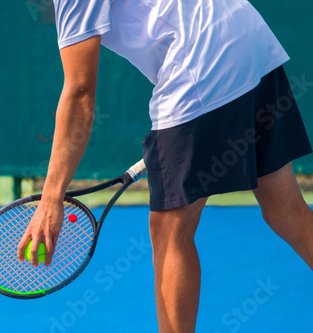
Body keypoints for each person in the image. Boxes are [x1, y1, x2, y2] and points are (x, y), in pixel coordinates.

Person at [17, 1, 313, 332]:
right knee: (287, 209)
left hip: (200, 61)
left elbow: (80, 93)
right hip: (247, 34)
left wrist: (51, 198)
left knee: (170, 230)